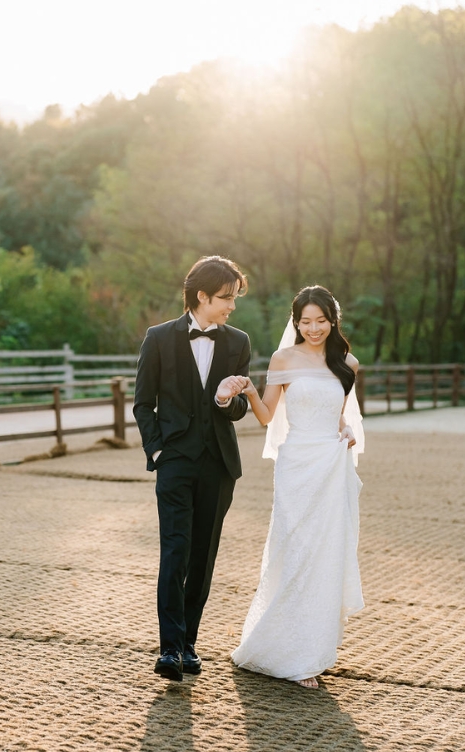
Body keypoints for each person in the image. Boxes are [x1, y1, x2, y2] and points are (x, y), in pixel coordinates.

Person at [217, 284, 365, 689]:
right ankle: (283, 648)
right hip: (297, 465)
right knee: (295, 550)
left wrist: (347, 428)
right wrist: (247, 389)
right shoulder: (284, 358)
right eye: (305, 322)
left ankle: (311, 652)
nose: (313, 329)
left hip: (330, 464)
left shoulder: (346, 363)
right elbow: (267, 418)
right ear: (295, 322)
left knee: (323, 555)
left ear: (332, 320)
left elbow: (338, 414)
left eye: (320, 321)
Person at [133, 255, 252, 682]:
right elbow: (143, 404)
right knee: (176, 551)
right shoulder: (158, 338)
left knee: (203, 557)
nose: (231, 307)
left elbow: (239, 407)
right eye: (226, 298)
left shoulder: (239, 343)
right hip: (175, 464)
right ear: (201, 296)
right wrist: (158, 452)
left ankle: (189, 644)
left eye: (234, 299)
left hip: (219, 465)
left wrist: (226, 400)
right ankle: (169, 649)